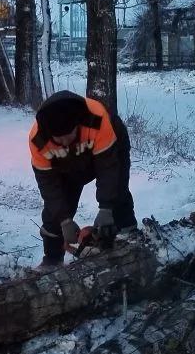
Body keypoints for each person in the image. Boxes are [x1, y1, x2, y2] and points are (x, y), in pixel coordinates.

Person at [29, 90, 136, 269]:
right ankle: (52, 258)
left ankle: (130, 237)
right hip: (64, 164)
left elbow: (108, 169)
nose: (63, 142)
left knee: (117, 192)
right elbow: (49, 186)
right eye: (58, 139)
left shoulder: (97, 120)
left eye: (67, 136)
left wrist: (106, 208)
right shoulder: (38, 140)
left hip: (108, 149)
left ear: (77, 124)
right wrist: (64, 220)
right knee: (55, 210)